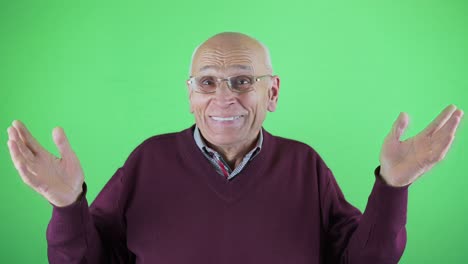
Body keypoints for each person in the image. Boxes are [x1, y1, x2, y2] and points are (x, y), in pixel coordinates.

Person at [7, 32, 463, 264]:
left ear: (273, 93)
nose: (224, 96)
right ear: (191, 96)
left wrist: (393, 187)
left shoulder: (305, 165)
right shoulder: (149, 161)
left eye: (243, 80)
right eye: (208, 82)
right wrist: (67, 204)